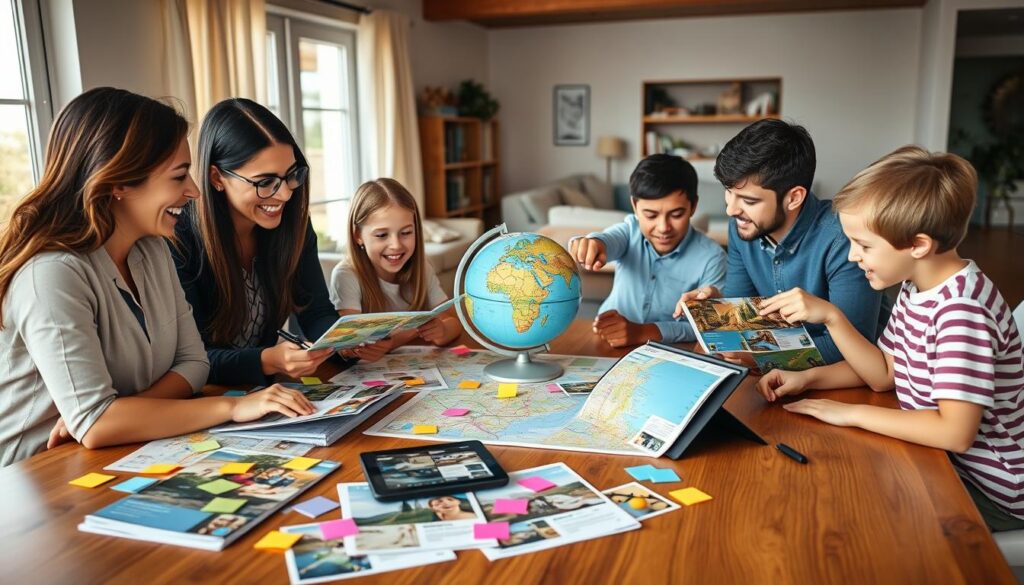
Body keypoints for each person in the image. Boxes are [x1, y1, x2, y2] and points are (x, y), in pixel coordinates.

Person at [0, 88, 314, 466]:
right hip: (35, 474)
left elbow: (194, 364)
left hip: (123, 449)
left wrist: (120, 414)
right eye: (180, 175)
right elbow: (98, 423)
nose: (194, 191)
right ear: (118, 182)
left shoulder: (153, 248)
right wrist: (232, 408)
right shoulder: (50, 275)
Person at [754, 146, 1024, 532]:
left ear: (918, 245)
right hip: (947, 462)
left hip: (992, 489)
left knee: (864, 518)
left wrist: (851, 414)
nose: (852, 256)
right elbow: (884, 374)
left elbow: (955, 432)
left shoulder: (961, 311)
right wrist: (812, 370)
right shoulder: (917, 287)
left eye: (864, 245)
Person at [673, 119, 887, 365]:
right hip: (782, 376)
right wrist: (715, 307)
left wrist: (759, 357)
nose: (731, 209)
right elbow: (742, 312)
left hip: (856, 382)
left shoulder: (844, 238)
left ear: (794, 197)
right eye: (729, 191)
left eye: (748, 201)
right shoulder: (744, 227)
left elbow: (852, 347)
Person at [173, 98, 339, 385]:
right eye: (265, 182)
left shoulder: (294, 220)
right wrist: (266, 359)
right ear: (216, 177)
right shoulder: (179, 237)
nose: (285, 194)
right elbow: (192, 360)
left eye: (291, 175)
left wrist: (352, 343)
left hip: (264, 391)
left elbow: (317, 313)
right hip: (208, 400)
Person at [569, 154, 726, 347]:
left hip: (670, 350)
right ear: (634, 206)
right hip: (604, 338)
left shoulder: (713, 258)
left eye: (676, 214)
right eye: (651, 215)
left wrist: (643, 332)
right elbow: (606, 240)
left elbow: (707, 326)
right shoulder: (630, 230)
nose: (663, 228)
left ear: (693, 206)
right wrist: (591, 243)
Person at [328, 178, 461, 362]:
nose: (396, 245)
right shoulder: (347, 275)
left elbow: (454, 322)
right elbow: (350, 345)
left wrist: (442, 331)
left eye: (406, 233)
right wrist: (358, 349)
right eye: (382, 235)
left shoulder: (422, 267)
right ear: (357, 235)